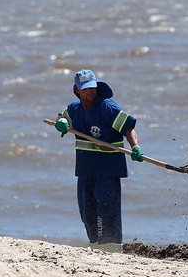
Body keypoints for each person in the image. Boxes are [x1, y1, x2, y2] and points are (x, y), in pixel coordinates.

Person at [55, 69, 144, 253]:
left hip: (107, 171)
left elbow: (128, 128)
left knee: (107, 212)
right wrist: (61, 122)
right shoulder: (74, 109)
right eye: (85, 89)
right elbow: (61, 117)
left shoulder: (107, 107)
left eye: (92, 87)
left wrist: (135, 146)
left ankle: (112, 251)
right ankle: (96, 250)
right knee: (87, 214)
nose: (90, 91)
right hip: (85, 171)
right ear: (77, 91)